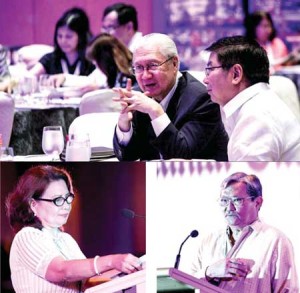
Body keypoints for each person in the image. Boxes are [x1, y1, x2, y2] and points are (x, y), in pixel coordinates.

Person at [6, 165, 143, 293]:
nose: (66, 206)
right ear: (33, 204)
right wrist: (112, 261)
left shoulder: (65, 239)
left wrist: (129, 270)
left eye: (68, 198)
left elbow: (87, 282)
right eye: (58, 200)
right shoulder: (26, 236)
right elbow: (61, 271)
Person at [112, 33, 228, 161]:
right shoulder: (139, 95)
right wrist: (124, 126)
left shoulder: (202, 99)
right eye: (139, 67)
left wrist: (155, 111)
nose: (145, 76)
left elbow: (182, 156)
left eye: (153, 65)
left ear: (174, 64)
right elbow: (128, 157)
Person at [191, 172, 299, 292]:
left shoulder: (275, 240)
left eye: (237, 200)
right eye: (224, 200)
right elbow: (187, 284)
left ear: (258, 202)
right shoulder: (208, 241)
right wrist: (209, 272)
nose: (229, 207)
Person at [203, 35, 300, 161]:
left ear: (236, 74)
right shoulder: (259, 103)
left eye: (210, 69)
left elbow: (248, 179)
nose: (205, 80)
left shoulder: (257, 116)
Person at [30, 7, 95, 78]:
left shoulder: (92, 60)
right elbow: (29, 77)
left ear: (81, 37)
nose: (63, 41)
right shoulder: (50, 59)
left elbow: (100, 82)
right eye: (59, 36)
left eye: (68, 36)